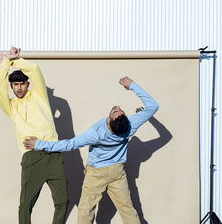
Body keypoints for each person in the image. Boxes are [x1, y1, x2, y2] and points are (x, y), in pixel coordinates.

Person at [24, 77, 159, 224]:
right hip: (118, 173)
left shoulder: (96, 134)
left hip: (96, 174)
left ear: (110, 121)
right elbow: (152, 106)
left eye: (116, 112)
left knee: (85, 211)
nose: (118, 108)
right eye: (120, 111)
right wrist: (132, 86)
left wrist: (39, 144)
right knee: (128, 210)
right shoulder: (130, 126)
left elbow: (69, 144)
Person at [0, 47, 69, 224]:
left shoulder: (39, 97)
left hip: (53, 155)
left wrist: (12, 59)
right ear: (11, 86)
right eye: (15, 85)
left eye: (22, 84)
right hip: (32, 158)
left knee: (62, 200)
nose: (19, 88)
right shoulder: (11, 107)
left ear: (28, 84)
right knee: (26, 204)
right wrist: (5, 64)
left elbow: (34, 70)